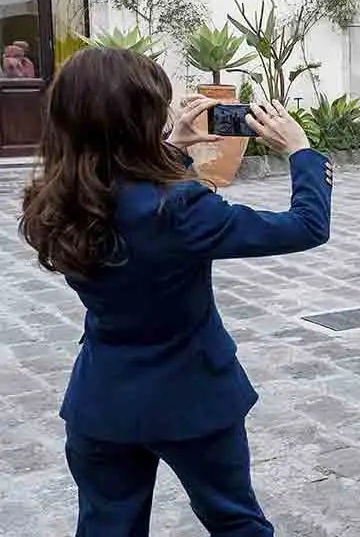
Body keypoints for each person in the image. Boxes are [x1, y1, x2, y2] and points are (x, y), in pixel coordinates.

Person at [19, 47, 332, 536]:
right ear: (139, 121)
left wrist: (172, 149)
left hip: (103, 399)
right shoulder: (181, 209)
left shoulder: (54, 200)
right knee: (235, 522)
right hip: (193, 394)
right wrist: (301, 152)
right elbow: (306, 225)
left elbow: (125, 192)